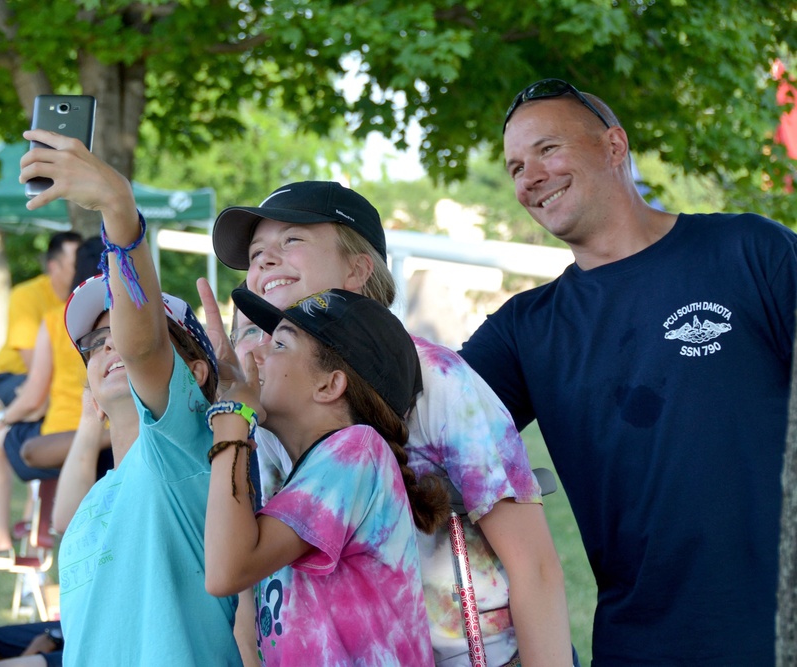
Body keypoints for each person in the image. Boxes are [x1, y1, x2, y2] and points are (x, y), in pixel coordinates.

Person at [458, 78, 797, 665]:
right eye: (515, 167)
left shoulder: (750, 251)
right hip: (640, 648)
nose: (529, 177)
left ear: (615, 146)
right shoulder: (524, 330)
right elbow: (411, 422)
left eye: (547, 150)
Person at [207, 180, 571, 666]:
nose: (264, 261)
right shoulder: (273, 397)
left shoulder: (439, 379)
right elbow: (259, 572)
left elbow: (536, 567)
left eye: (291, 240)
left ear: (359, 269)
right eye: (255, 253)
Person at [21, 132, 243, 665]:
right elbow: (62, 525)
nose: (111, 346)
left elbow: (142, 344)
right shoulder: (103, 495)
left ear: (192, 374)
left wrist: (119, 212)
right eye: (93, 345)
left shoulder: (184, 451)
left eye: (119, 334)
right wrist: (88, 419)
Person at [206, 287, 449, 664]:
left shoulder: (356, 451)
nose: (257, 354)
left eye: (280, 345)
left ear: (329, 385)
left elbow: (226, 570)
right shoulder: (316, 472)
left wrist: (233, 419)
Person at [0, 238, 103, 565]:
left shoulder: (57, 318)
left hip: (64, 436)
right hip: (120, 437)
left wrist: (2, 419)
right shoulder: (138, 318)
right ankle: (33, 519)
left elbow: (34, 395)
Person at [0, 231, 82, 407]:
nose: (82, 269)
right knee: (46, 401)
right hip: (10, 378)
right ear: (53, 267)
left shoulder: (81, 298)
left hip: (54, 378)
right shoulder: (26, 295)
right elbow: (34, 368)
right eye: (75, 264)